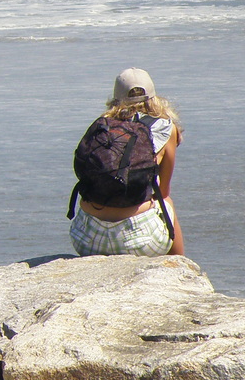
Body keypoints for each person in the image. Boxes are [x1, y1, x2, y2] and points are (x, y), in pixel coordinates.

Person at [68, 68, 185, 257]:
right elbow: (163, 192)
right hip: (140, 242)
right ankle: (180, 268)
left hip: (86, 239)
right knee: (166, 201)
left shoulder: (102, 127)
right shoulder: (166, 128)